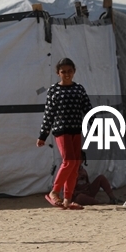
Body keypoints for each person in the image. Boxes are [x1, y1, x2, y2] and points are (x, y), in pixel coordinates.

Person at [37, 57, 91, 210]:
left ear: (74, 72)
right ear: (58, 73)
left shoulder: (79, 89)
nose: (66, 74)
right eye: (63, 72)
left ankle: (67, 199)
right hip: (61, 130)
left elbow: (87, 108)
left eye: (69, 71)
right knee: (69, 161)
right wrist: (43, 135)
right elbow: (49, 114)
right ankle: (54, 191)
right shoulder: (54, 90)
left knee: (74, 166)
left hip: (76, 129)